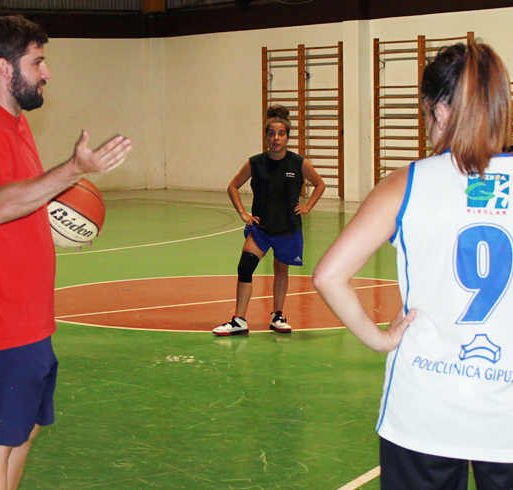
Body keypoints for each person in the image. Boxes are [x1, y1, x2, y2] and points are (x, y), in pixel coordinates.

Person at [0, 15, 132, 490]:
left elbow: (21, 201)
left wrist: (56, 225)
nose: (47, 73)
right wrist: (72, 170)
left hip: (24, 319)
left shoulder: (12, 126)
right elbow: (1, 205)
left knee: (22, 430)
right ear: (5, 68)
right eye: (38, 61)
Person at [313, 42, 513, 489]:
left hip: (424, 412)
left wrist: (381, 339)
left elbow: (328, 276)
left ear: (438, 110)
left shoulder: (407, 183)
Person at [213, 105, 326, 336]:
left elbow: (320, 184)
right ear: (265, 136)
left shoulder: (298, 163)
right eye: (271, 133)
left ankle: (277, 315)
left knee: (280, 271)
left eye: (281, 134)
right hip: (261, 229)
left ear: (287, 136)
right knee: (245, 267)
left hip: (287, 228)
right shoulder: (255, 163)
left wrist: (308, 206)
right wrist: (243, 213)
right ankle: (239, 320)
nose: (276, 138)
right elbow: (233, 186)